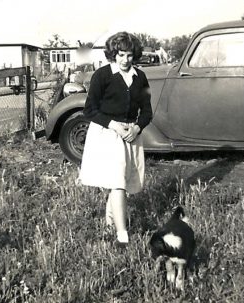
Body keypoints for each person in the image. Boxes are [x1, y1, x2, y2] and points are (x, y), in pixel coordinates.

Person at [78, 32, 152, 246]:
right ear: (113, 54)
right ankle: (122, 235)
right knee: (118, 182)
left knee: (119, 182)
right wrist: (114, 126)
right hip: (107, 133)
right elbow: (89, 110)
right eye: (120, 54)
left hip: (131, 135)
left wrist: (137, 128)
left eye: (129, 55)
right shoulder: (102, 75)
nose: (125, 60)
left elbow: (147, 111)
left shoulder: (141, 77)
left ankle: (109, 224)